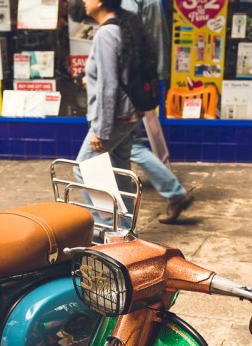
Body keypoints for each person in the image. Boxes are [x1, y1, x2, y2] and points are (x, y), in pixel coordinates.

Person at [121, 0, 193, 223]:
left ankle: (173, 192)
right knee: (124, 146)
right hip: (134, 80)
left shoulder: (137, 4)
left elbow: (147, 39)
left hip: (130, 82)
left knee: (127, 145)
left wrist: (155, 76)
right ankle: (122, 211)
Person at [75, 0, 149, 179]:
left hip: (116, 117)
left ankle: (95, 209)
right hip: (130, 112)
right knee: (119, 171)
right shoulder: (122, 27)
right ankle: (125, 209)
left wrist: (100, 131)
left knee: (83, 170)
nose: (84, 1)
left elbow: (109, 85)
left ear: (100, 2)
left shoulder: (106, 34)